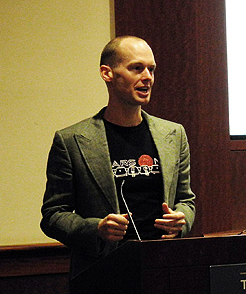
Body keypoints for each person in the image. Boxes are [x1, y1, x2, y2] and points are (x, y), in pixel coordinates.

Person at [41, 35, 196, 277]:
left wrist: (181, 221)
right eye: (136, 68)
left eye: (151, 69)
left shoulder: (173, 135)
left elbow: (186, 200)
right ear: (107, 73)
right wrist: (96, 229)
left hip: (163, 269)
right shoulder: (71, 140)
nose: (147, 77)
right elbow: (53, 215)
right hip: (102, 273)